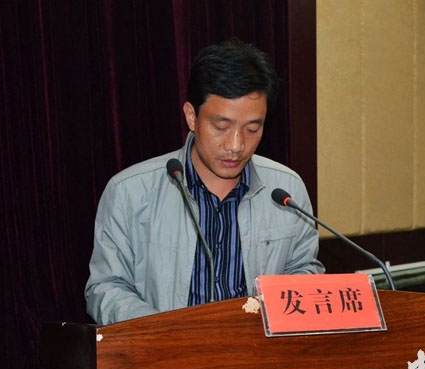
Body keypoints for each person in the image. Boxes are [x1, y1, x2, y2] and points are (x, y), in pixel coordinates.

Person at [85, 39, 324, 325]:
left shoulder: (286, 190)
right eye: (221, 127)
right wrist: (167, 334)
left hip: (256, 350)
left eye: (252, 129)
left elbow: (304, 270)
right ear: (191, 116)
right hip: (165, 348)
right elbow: (106, 288)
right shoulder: (130, 192)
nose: (236, 145)